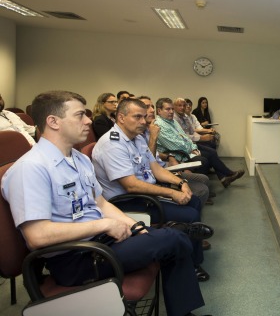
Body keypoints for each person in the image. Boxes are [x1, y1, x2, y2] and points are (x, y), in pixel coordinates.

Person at [1, 90, 205, 316]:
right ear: (53, 122)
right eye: (80, 115)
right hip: (76, 257)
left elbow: (100, 203)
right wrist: (104, 225)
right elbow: (37, 236)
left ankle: (183, 306)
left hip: (101, 243)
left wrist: (134, 226)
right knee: (174, 239)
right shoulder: (31, 168)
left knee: (173, 241)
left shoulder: (77, 158)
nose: (88, 120)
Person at [92, 98, 211, 281]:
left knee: (193, 200)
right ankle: (193, 264)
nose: (143, 121)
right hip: (127, 202)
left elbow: (155, 168)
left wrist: (181, 184)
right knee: (189, 215)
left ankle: (192, 253)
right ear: (121, 118)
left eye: (144, 117)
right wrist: (172, 193)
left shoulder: (136, 139)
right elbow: (130, 185)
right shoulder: (111, 144)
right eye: (137, 117)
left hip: (145, 194)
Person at [154, 97, 244, 188]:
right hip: (177, 155)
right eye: (168, 109)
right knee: (204, 161)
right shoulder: (160, 125)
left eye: (172, 109)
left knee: (211, 152)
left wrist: (193, 147)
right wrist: (192, 147)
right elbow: (177, 146)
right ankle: (201, 190)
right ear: (159, 111)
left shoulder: (172, 121)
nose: (171, 111)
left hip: (187, 149)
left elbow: (185, 137)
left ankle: (224, 178)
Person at [140, 95, 213, 206]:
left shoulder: (150, 129)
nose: (152, 110)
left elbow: (185, 137)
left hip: (163, 168)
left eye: (151, 106)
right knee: (202, 189)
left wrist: (170, 156)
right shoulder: (153, 128)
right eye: (147, 107)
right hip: (158, 175)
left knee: (204, 179)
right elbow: (149, 165)